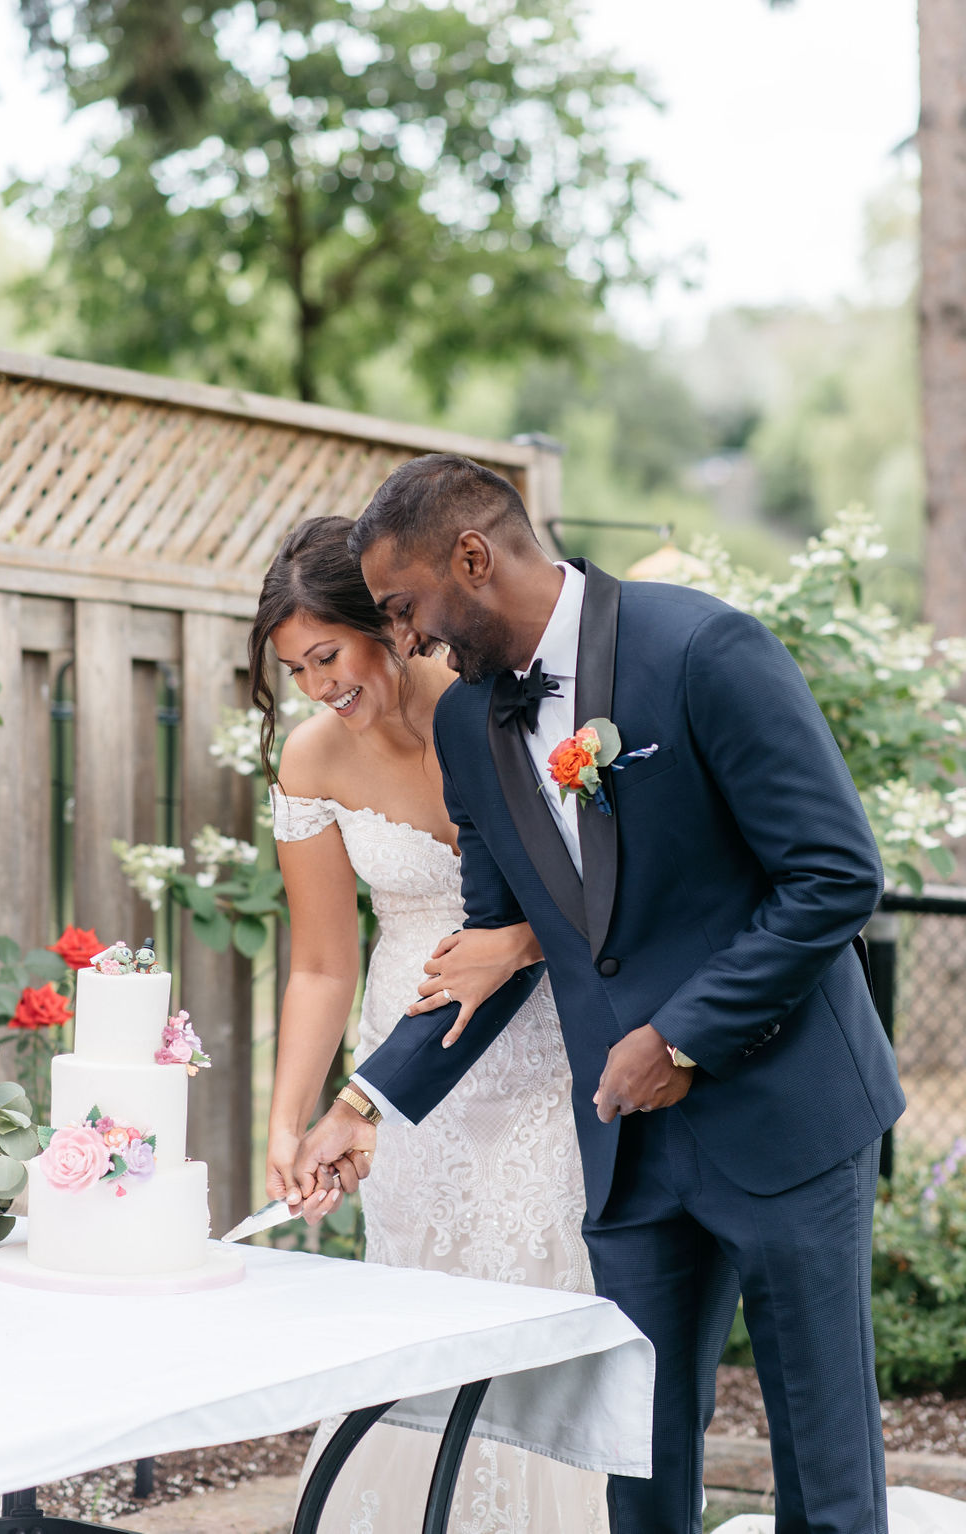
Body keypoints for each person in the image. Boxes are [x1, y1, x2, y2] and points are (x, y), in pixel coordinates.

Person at [293, 455, 907, 1534]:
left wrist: (681, 1038)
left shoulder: (703, 648)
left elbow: (833, 876)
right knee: (633, 1462)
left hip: (788, 1116)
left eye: (405, 606)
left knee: (823, 1467)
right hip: (627, 1148)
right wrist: (361, 1105)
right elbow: (488, 947)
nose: (409, 639)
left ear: (473, 558)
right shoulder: (466, 728)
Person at [248, 515, 611, 1533]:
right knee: (416, 1298)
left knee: (535, 1275)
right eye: (295, 669)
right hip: (404, 1064)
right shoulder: (311, 762)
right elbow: (319, 964)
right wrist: (292, 1121)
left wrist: (526, 945)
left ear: (386, 626)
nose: (319, 685)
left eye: (328, 655)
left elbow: (586, 882)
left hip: (545, 1047)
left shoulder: (502, 713)